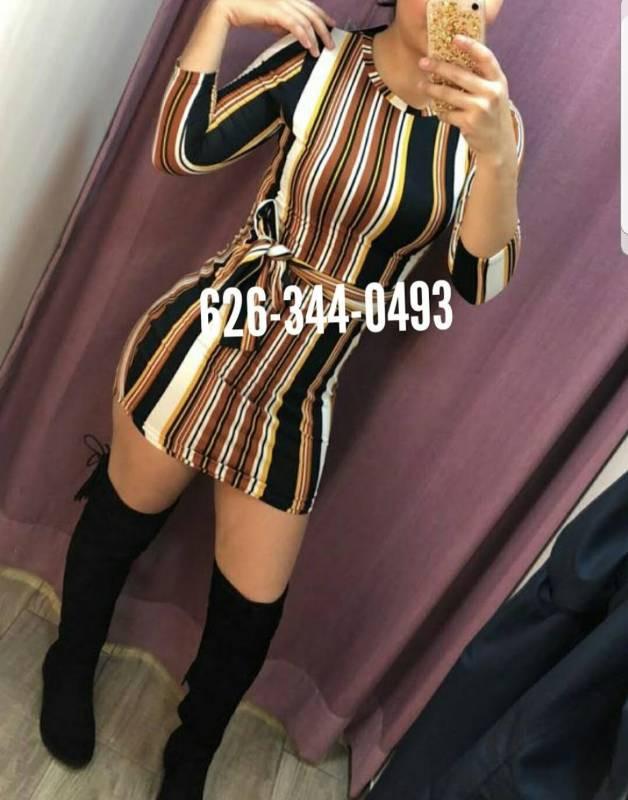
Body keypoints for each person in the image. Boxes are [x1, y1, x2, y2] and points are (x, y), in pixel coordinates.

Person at [38, 0, 524, 797]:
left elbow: (479, 281)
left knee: (248, 618)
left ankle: (191, 755)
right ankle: (70, 659)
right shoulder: (318, 60)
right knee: (117, 527)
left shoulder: (488, 125)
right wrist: (220, 12)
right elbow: (181, 147)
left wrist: (499, 158)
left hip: (298, 393)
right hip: (206, 342)